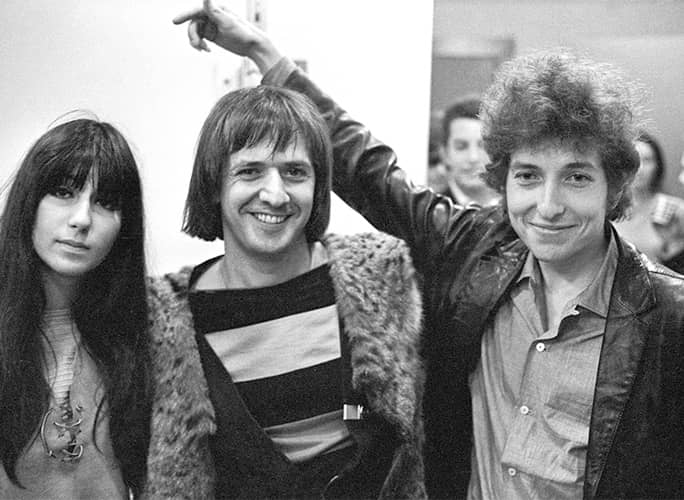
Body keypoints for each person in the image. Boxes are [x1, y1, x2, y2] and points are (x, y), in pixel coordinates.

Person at [175, 5, 684, 499]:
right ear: (503, 180)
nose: (548, 206)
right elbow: (371, 172)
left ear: (615, 186)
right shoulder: (477, 250)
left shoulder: (667, 318)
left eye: (576, 177)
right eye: (528, 176)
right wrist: (263, 53)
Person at [143, 86, 426, 496]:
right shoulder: (166, 319)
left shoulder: (381, 281)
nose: (275, 195)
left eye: (295, 172)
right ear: (213, 184)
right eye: (250, 171)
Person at [0, 118, 152, 498]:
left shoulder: (145, 337)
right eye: (63, 192)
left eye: (106, 203)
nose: (82, 219)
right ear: (29, 202)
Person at [614, 132, 684, 267]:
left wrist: (673, 247)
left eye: (647, 160)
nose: (639, 168)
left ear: (657, 165)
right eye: (634, 160)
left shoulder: (676, 210)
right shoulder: (607, 208)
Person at [434, 97, 499, 206]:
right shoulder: (429, 212)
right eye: (461, 147)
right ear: (444, 154)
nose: (473, 158)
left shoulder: (516, 210)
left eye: (483, 146)